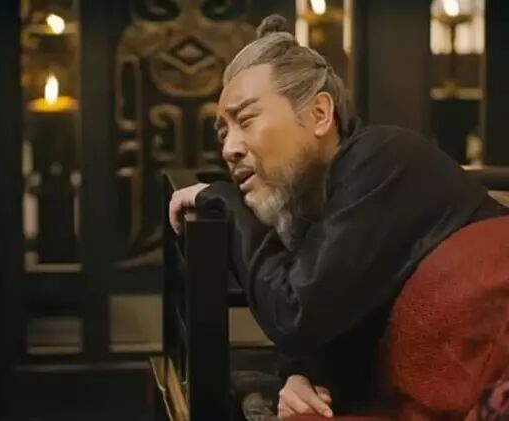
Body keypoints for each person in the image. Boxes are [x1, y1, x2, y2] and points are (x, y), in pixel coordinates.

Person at [168, 14, 509, 420]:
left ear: (319, 114)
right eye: (223, 133)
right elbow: (333, 319)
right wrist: (302, 375)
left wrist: (226, 202)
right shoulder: (315, 204)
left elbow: (296, 312)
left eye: (246, 120)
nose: (230, 149)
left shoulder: (381, 159)